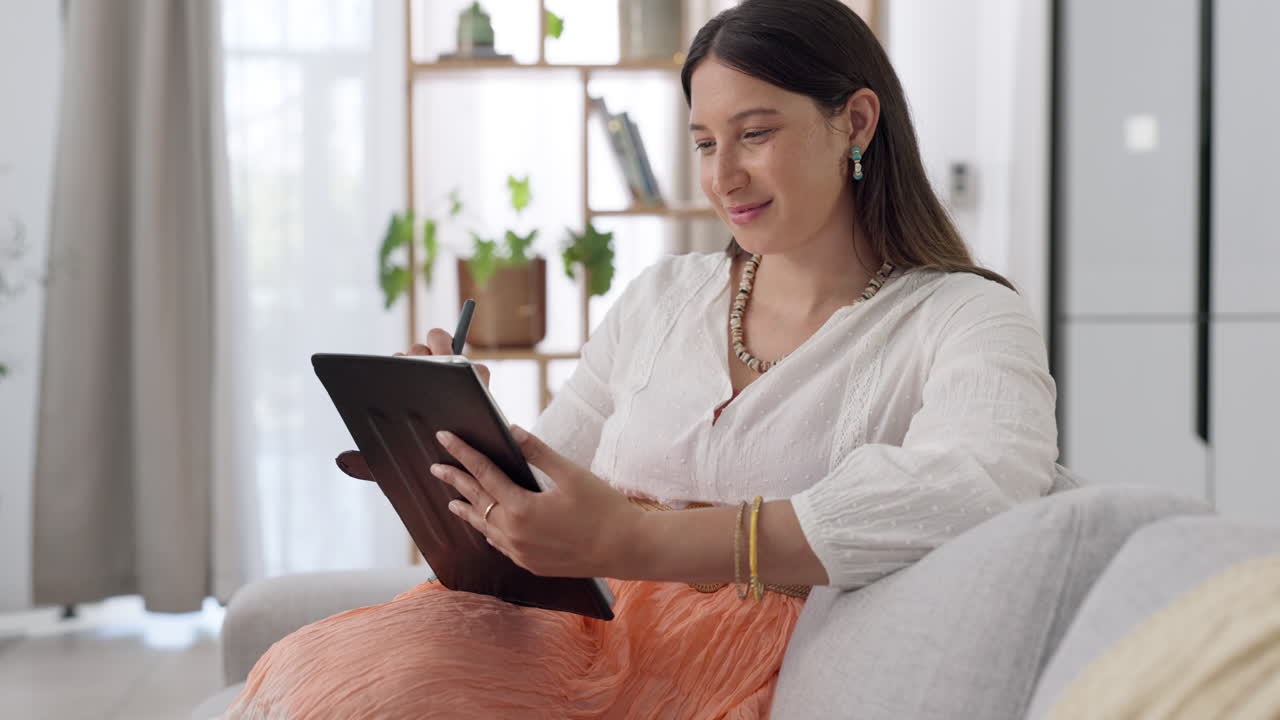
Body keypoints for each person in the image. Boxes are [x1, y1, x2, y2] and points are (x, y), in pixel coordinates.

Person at [220, 0, 1059, 717]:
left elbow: (980, 487)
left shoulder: (965, 317)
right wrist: (464, 448)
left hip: (716, 674)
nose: (724, 175)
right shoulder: (662, 297)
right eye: (702, 142)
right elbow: (552, 499)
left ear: (858, 122)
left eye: (755, 133)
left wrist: (640, 541)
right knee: (330, 681)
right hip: (562, 635)